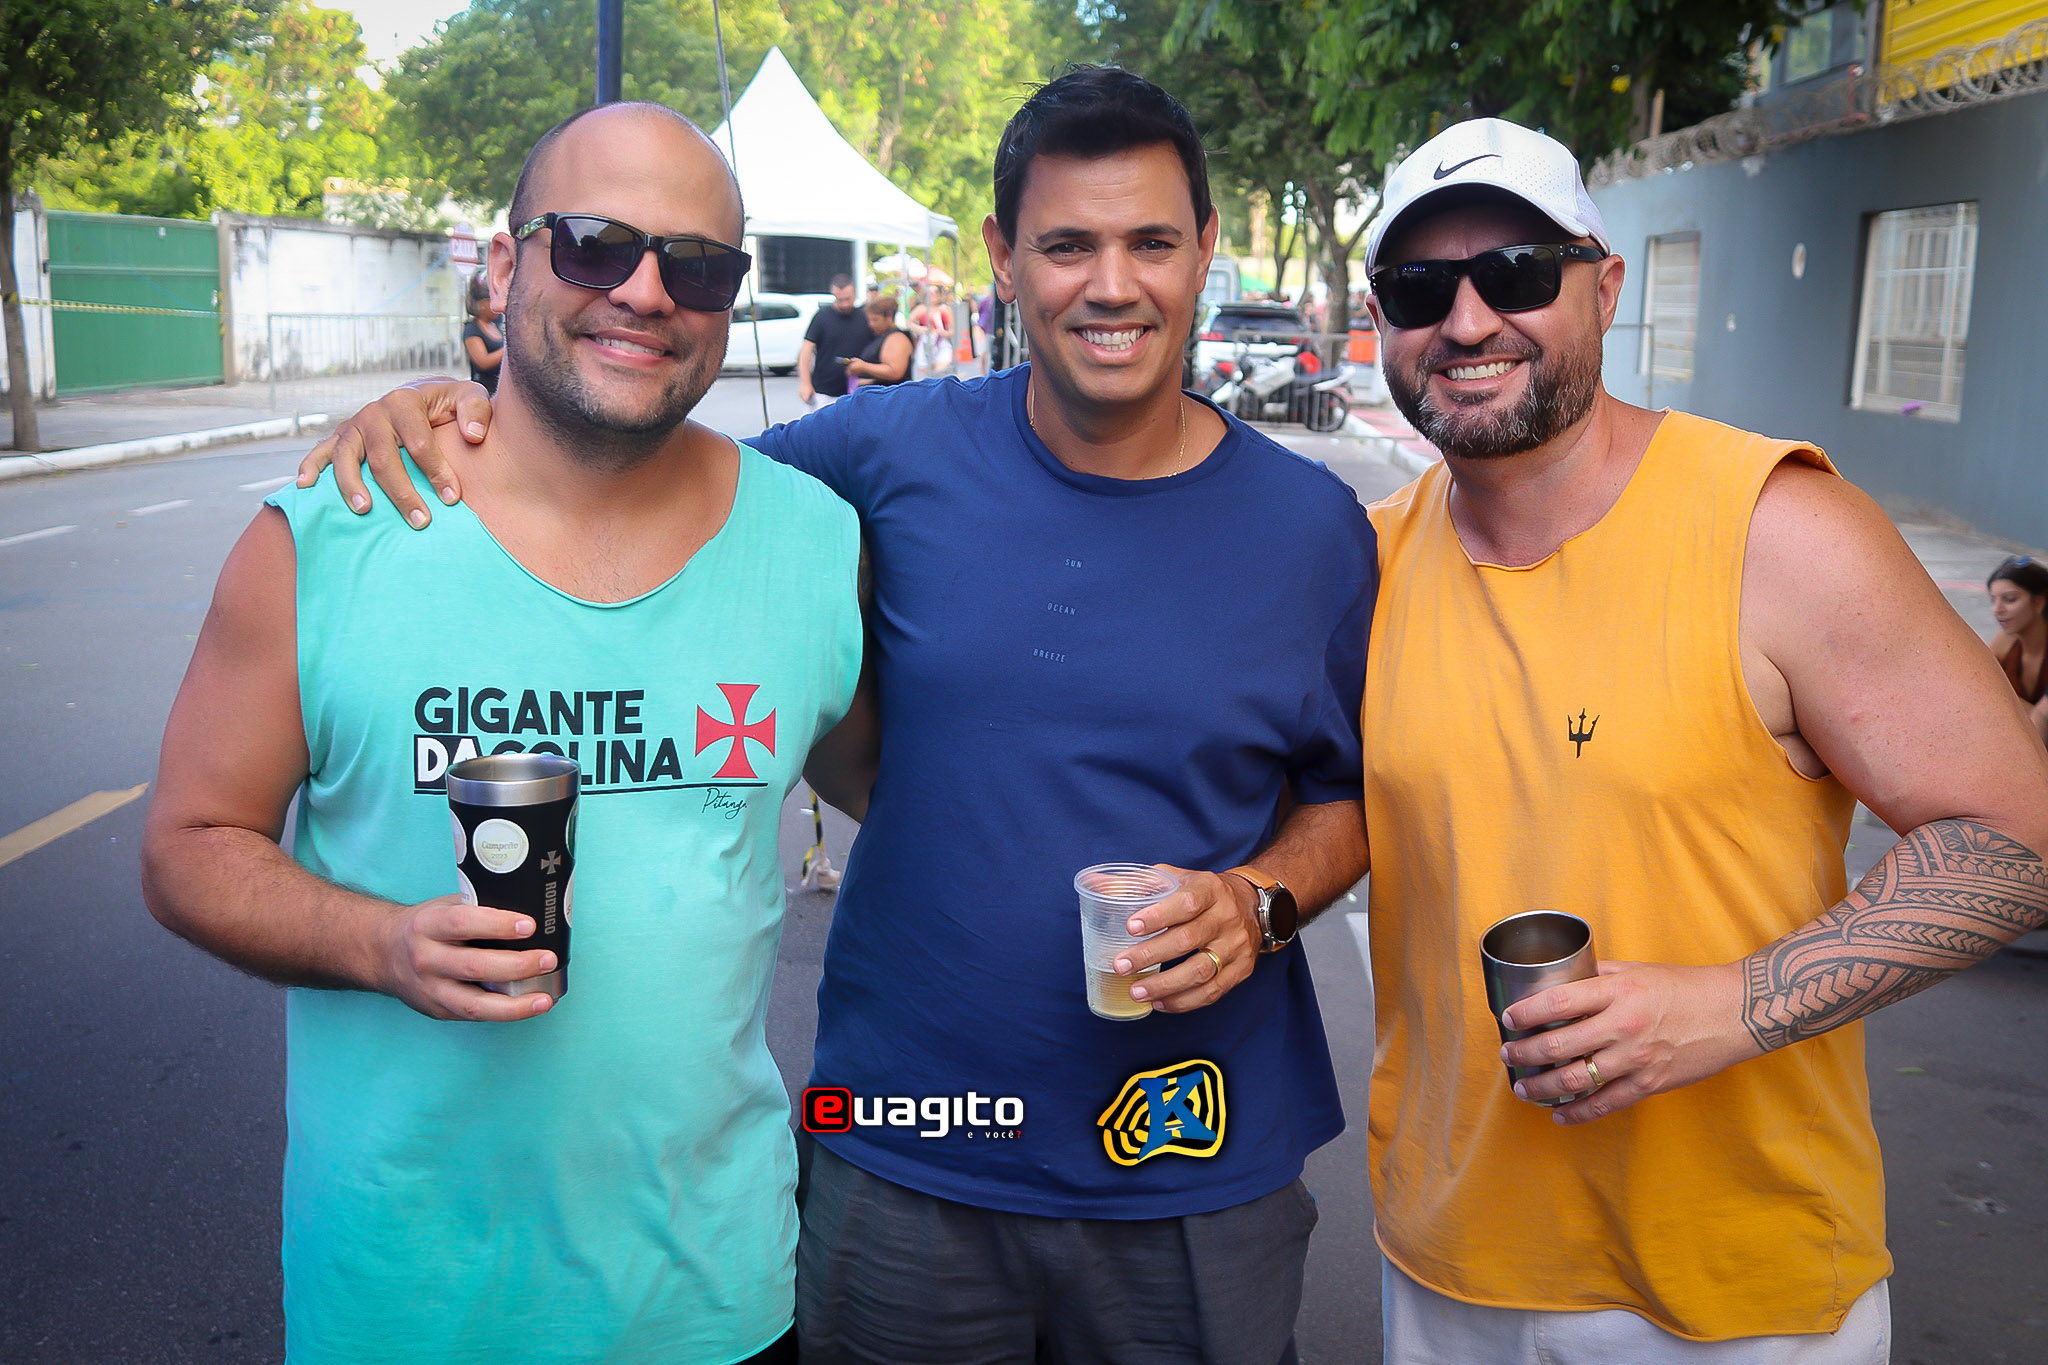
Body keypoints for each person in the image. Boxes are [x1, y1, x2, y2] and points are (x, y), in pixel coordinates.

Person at [298, 65, 1377, 1364]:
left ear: (1204, 248)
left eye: (1151, 242)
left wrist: (1257, 903)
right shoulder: (879, 452)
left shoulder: (1310, 529)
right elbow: (628, 463)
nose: (1111, 284)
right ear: (1002, 258)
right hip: (903, 1149)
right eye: (1066, 245)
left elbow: (1350, 796)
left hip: (1191, 1154)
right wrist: (450, 408)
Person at [141, 102, 864, 1364]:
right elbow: (188, 845)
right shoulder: (331, 533)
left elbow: (916, 792)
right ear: (502, 263)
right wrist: (379, 946)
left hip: (715, 1300)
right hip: (406, 1306)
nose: (645, 291)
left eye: (697, 266)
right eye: (593, 244)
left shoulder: (813, 544)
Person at [1357, 116, 2048, 1360]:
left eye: (1516, 273)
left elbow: (2015, 835)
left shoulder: (1776, 530)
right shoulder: (1366, 562)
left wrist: (1733, 1004)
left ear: (1604, 287)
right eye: (1417, 287)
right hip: (1446, 1270)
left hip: (1735, 1300)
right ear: (1380, 319)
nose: (1464, 321)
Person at [1987, 554, 2048, 745]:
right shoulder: (2003, 642)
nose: (1997, 609)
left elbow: (2042, 719)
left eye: (2010, 599)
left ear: (2039, 602)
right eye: (1993, 600)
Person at [799, 273, 874, 408]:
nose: (844, 304)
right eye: (839, 300)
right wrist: (805, 383)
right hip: (824, 392)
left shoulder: (864, 316)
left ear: (855, 293)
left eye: (848, 299)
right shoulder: (822, 316)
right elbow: (806, 350)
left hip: (857, 392)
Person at [842, 293, 911, 388]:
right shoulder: (882, 336)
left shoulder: (897, 338)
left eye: (875, 320)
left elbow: (895, 372)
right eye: (869, 320)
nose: (871, 324)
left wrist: (863, 367)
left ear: (889, 316)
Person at [460, 270, 503, 395]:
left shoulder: (495, 325)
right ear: (482, 304)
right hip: (485, 390)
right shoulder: (472, 329)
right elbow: (483, 362)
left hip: (500, 389)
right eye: (493, 301)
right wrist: (509, 348)